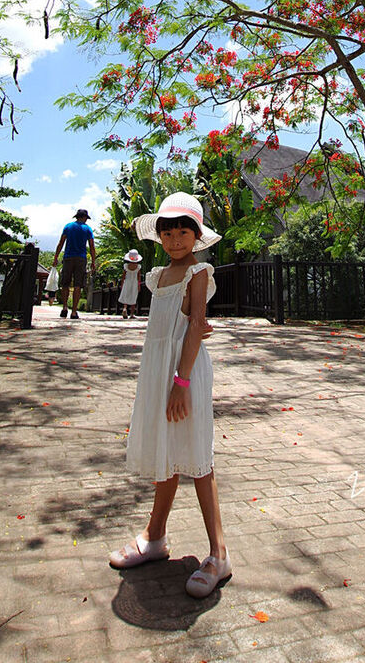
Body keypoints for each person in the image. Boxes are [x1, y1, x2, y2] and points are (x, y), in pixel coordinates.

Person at [109, 192, 230, 598]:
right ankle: (155, 536)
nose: (175, 238)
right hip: (158, 372)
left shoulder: (199, 272)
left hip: (186, 373)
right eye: (168, 231)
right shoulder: (156, 276)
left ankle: (219, 553)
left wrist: (181, 381)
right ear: (158, 237)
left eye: (183, 231)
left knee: (197, 458)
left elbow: (196, 326)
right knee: (166, 452)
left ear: (196, 236)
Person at [53, 208, 96, 320]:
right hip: (81, 258)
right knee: (78, 285)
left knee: (65, 284)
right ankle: (74, 312)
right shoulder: (87, 229)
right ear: (85, 217)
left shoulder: (68, 226)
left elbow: (61, 243)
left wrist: (56, 257)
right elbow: (92, 247)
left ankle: (64, 307)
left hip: (68, 257)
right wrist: (93, 261)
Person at [119, 248, 142, 318]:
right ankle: (132, 314)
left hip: (127, 282)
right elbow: (139, 277)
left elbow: (123, 276)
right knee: (133, 296)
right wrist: (139, 285)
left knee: (126, 295)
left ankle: (125, 308)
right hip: (134, 283)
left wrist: (122, 284)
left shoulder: (126, 266)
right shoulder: (138, 267)